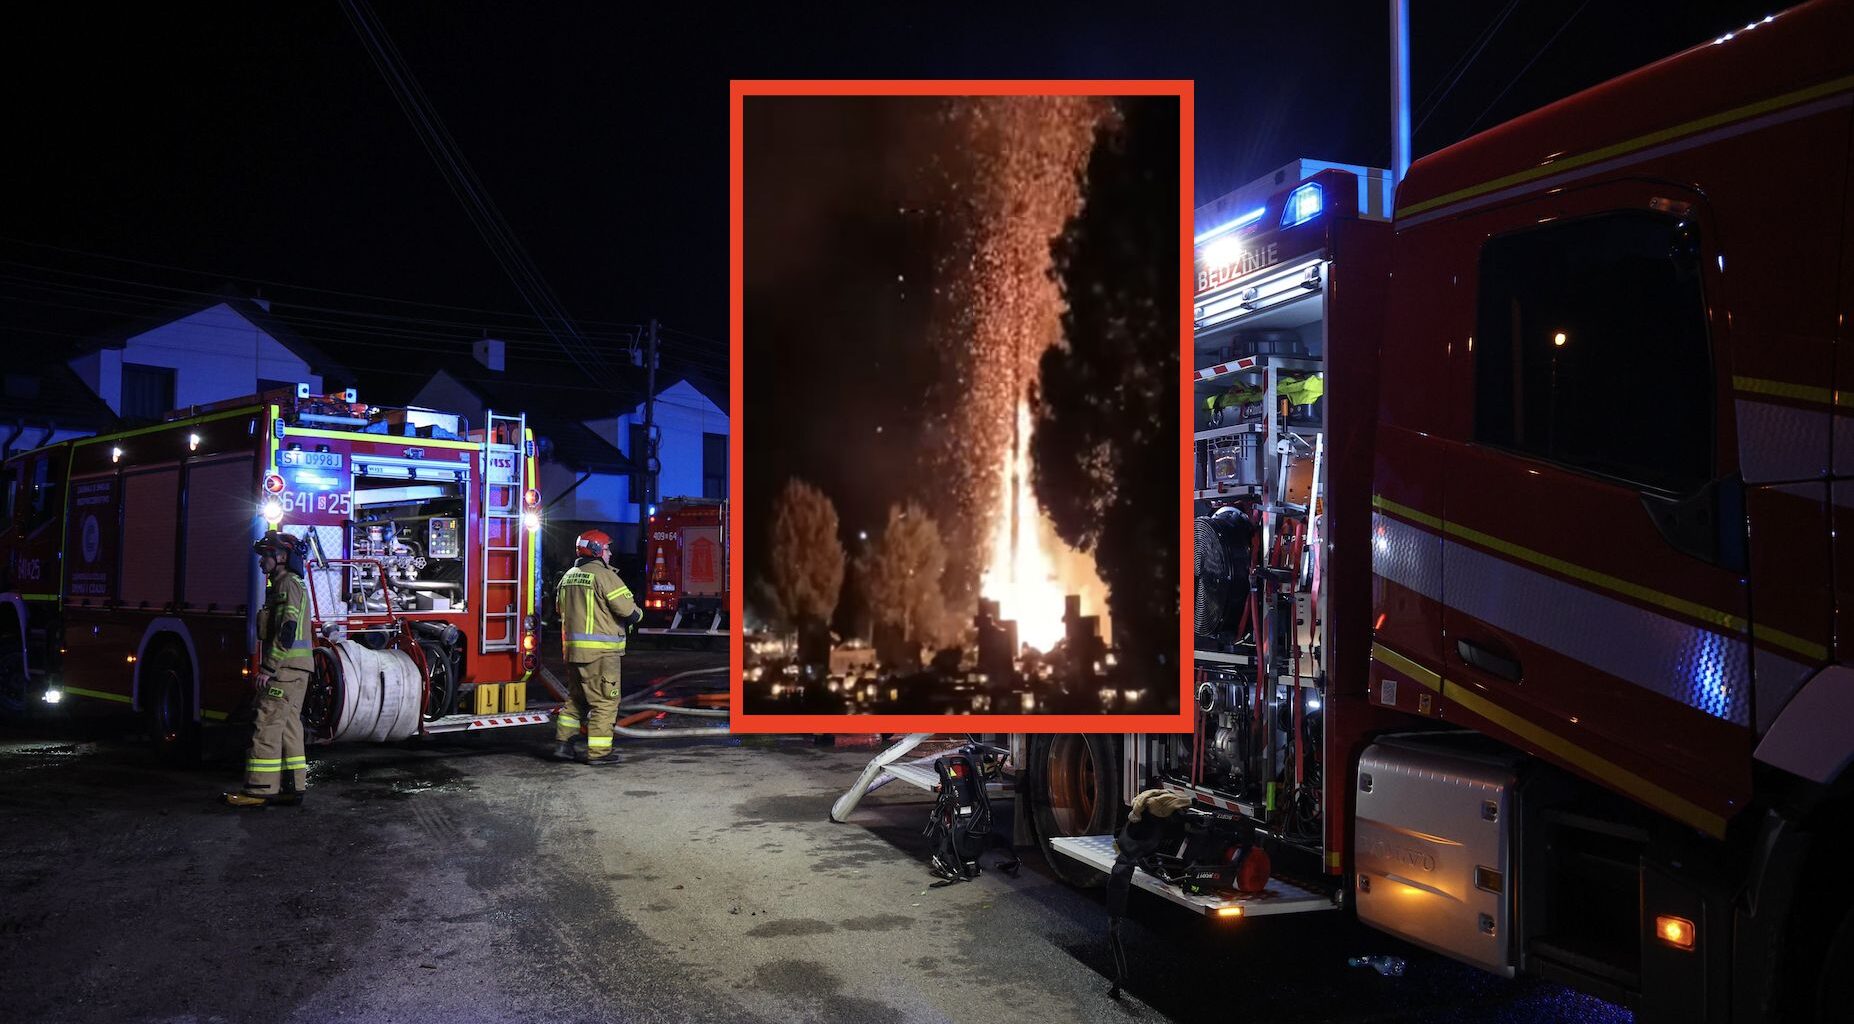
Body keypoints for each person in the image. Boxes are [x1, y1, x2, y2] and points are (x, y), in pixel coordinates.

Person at [224, 531, 313, 807]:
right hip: (296, 670)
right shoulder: (288, 583)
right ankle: (291, 787)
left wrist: (268, 667)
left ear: (283, 557)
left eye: (267, 555)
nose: (262, 561)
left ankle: (259, 790)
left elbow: (287, 629)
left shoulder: (287, 584)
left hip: (285, 670)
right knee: (288, 726)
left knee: (266, 724)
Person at [551, 529, 642, 766]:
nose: (609, 553)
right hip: (601, 653)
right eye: (606, 549)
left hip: (573, 652)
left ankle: (563, 746)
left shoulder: (568, 576)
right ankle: (599, 753)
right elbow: (627, 610)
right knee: (605, 702)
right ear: (595, 551)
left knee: (576, 700)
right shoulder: (603, 576)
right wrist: (638, 615)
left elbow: (559, 610)